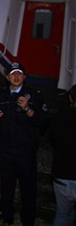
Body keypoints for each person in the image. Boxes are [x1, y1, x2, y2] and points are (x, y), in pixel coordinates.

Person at [0, 62, 49, 226]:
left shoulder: (34, 95)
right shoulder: (1, 96)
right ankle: (6, 218)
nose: (16, 77)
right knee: (6, 186)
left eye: (19, 73)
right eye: (13, 74)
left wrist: (28, 110)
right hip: (6, 151)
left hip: (26, 151)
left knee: (28, 189)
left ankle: (28, 221)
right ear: (8, 77)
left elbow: (44, 121)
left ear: (24, 77)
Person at [49, 84, 76, 226]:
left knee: (62, 215)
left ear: (70, 98)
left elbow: (53, 138)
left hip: (62, 176)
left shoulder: (60, 116)